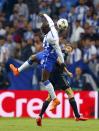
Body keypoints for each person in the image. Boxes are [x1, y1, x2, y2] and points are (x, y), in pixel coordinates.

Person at [10, 14, 72, 111]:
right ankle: (17, 70)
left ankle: (55, 100)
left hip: (49, 57)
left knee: (44, 79)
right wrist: (44, 14)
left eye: (42, 30)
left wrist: (63, 63)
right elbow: (50, 20)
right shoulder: (51, 28)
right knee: (32, 57)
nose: (41, 31)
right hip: (44, 53)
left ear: (46, 30)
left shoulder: (53, 38)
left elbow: (59, 50)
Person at [36, 47, 88, 126]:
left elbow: (58, 62)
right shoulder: (62, 52)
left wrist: (66, 71)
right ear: (65, 47)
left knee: (50, 96)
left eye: (70, 48)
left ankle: (39, 116)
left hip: (50, 74)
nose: (69, 49)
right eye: (68, 47)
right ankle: (77, 116)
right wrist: (67, 72)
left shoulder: (60, 52)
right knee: (70, 92)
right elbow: (59, 62)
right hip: (58, 74)